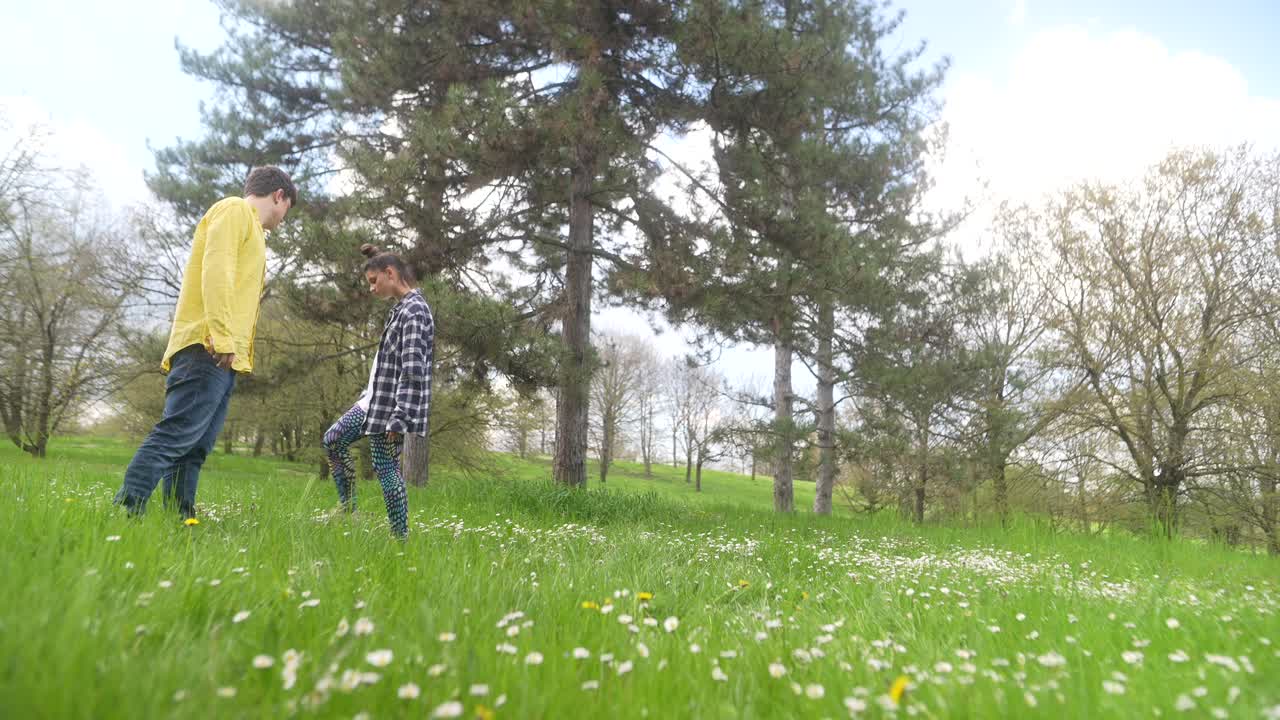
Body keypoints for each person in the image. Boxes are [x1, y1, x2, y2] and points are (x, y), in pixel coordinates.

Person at [113, 167, 296, 518]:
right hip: (208, 347)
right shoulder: (234, 210)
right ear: (279, 196)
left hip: (224, 356)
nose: (285, 218)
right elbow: (217, 270)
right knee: (176, 435)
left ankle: (179, 518)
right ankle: (125, 511)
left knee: (194, 447)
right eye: (288, 208)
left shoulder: (254, 230)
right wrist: (223, 336)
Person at [322, 244, 434, 538]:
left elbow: (413, 369)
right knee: (333, 439)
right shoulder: (402, 307)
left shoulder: (414, 311)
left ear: (390, 274)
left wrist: (400, 417)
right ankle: (349, 509)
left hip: (391, 409)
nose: (371, 289)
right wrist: (375, 254)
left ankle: (400, 537)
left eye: (374, 281)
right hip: (373, 402)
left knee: (386, 468)